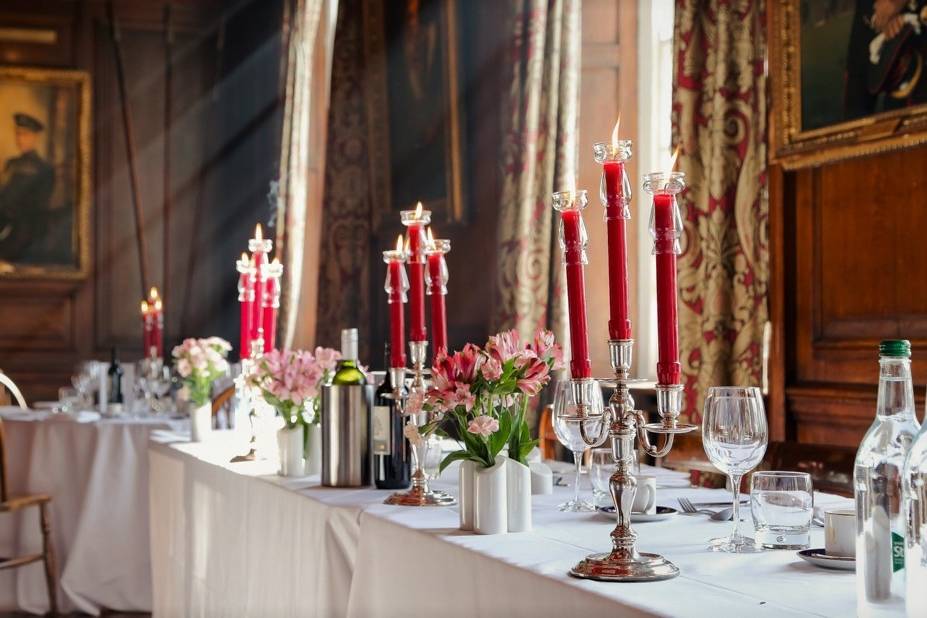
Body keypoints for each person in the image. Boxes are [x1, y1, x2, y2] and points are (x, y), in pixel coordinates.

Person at [0, 112, 55, 262]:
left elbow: (38, 206)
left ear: (35, 137)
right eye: (17, 134)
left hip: (24, 231)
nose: (19, 139)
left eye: (25, 134)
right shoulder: (11, 163)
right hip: (3, 224)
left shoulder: (44, 168)